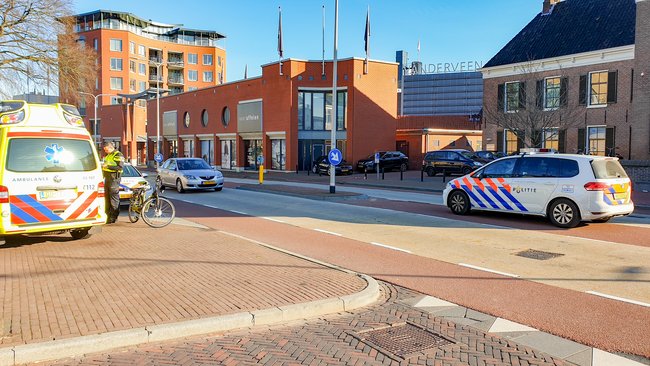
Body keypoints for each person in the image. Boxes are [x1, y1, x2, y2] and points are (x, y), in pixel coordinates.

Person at [102, 141, 124, 224]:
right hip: (107, 178)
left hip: (114, 178)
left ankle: (114, 217)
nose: (105, 151)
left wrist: (108, 166)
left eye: (106, 150)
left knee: (113, 198)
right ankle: (107, 216)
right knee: (107, 198)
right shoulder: (108, 155)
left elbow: (120, 167)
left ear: (111, 148)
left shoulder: (118, 155)